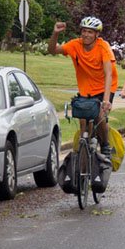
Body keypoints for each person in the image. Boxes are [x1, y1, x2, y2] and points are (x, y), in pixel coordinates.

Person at [48, 16, 114, 156]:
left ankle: (105, 145)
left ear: (97, 34)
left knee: (100, 116)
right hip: (86, 90)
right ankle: (84, 155)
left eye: (90, 32)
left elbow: (109, 73)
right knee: (83, 122)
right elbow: (52, 50)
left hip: (105, 87)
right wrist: (55, 33)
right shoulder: (75, 45)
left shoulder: (103, 47)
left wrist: (106, 100)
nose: (86, 34)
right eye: (84, 31)